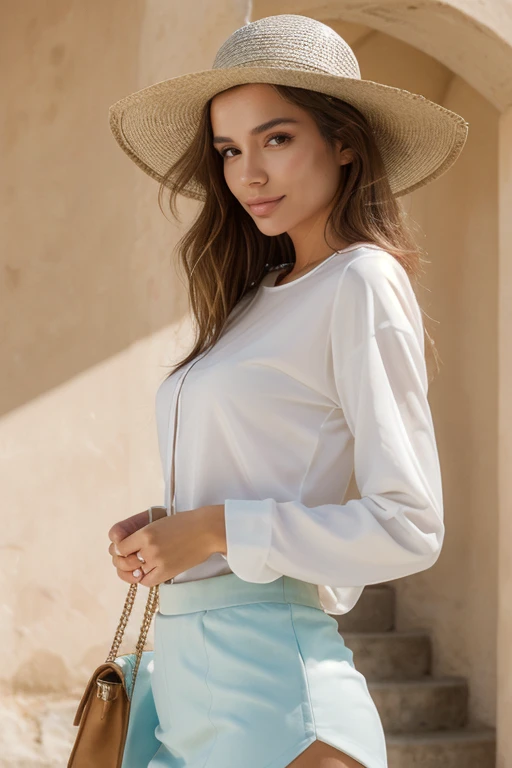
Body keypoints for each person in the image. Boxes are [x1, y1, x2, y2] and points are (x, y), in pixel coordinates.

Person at [106, 13, 469, 768]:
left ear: (344, 142)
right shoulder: (252, 299)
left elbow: (410, 525)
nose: (249, 174)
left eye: (276, 138)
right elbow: (260, 476)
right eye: (230, 150)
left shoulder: (362, 281)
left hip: (279, 696)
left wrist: (212, 529)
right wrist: (169, 529)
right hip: (181, 687)